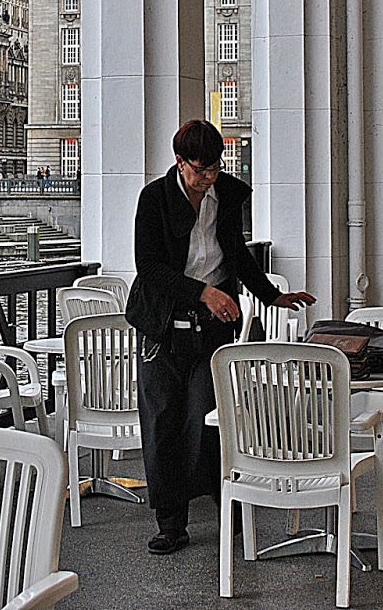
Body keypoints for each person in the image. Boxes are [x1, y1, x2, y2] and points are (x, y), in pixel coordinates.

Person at [125, 119, 314, 555]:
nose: (208, 177)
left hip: (213, 329)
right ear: (179, 162)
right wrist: (203, 292)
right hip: (163, 326)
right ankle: (170, 523)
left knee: (210, 419)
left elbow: (238, 255)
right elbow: (149, 267)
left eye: (214, 168)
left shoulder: (227, 194)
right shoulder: (154, 198)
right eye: (200, 169)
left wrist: (273, 296)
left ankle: (227, 505)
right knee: (163, 423)